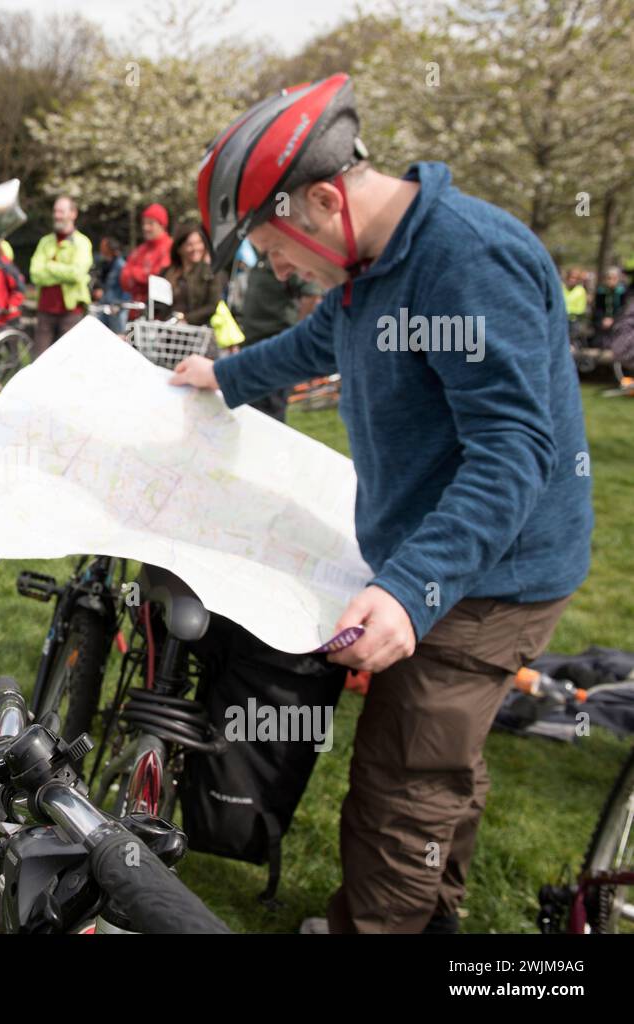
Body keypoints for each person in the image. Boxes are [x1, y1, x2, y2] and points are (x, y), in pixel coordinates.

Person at [174, 73, 591, 934]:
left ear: (325, 199)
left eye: (270, 248)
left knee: (401, 787)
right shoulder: (369, 266)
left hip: (490, 576)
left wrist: (413, 587)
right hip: (458, 558)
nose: (274, 271)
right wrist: (223, 376)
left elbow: (515, 449)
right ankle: (434, 919)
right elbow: (319, 340)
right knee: (443, 766)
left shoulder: (468, 259)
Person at [231, 255, 317, 422]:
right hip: (251, 345)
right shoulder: (261, 258)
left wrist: (298, 334)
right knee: (249, 411)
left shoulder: (287, 257)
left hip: (276, 345)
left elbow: (311, 294)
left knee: (270, 413)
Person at [28, 195, 93, 356]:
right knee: (39, 361)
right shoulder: (45, 242)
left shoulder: (82, 243)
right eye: (55, 211)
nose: (57, 215)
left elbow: (76, 274)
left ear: (73, 214)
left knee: (67, 361)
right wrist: (63, 271)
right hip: (45, 310)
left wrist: (49, 266)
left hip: (71, 312)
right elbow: (35, 274)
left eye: (61, 211)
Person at [163, 222, 225, 327]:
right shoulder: (168, 272)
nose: (195, 248)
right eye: (189, 244)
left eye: (199, 243)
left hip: (197, 333)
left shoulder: (211, 272)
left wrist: (186, 318)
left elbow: (213, 305)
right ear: (179, 248)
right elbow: (157, 303)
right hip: (169, 332)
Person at [119, 204, 173, 318]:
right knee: (130, 335)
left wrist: (135, 274)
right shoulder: (140, 250)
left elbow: (159, 279)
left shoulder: (169, 247)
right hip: (135, 312)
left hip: (158, 315)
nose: (145, 227)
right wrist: (143, 276)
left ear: (162, 225)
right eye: (144, 223)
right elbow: (124, 279)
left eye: (150, 223)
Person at [92, 237, 129, 334]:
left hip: (116, 307)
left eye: (103, 246)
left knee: (118, 336)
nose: (101, 249)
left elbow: (126, 287)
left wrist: (120, 304)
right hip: (104, 305)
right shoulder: (104, 264)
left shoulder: (121, 265)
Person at [592, 266, 627, 339]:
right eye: (609, 278)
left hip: (617, 319)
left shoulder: (622, 291)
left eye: (614, 278)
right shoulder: (600, 291)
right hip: (602, 320)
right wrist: (603, 319)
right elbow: (598, 308)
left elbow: (623, 309)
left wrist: (613, 319)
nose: (611, 281)